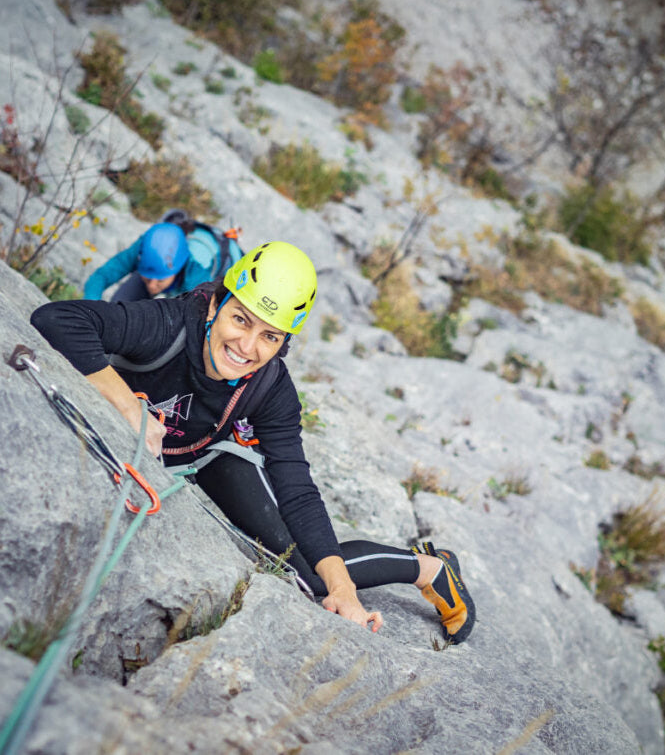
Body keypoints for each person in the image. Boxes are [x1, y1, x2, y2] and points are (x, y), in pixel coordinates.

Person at [31, 241, 476, 643]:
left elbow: (296, 489)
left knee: (312, 577)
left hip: (210, 458)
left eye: (270, 336)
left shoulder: (271, 388)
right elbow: (57, 318)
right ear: (216, 304)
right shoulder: (168, 325)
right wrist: (129, 407)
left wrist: (344, 592)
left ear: (283, 342)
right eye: (240, 319)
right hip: (169, 444)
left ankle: (429, 568)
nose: (246, 346)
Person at [83, 222, 212, 302]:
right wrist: (92, 309)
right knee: (120, 304)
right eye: (148, 279)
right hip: (164, 271)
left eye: (160, 281)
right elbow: (101, 276)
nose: (152, 286)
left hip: (192, 282)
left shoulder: (197, 276)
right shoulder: (143, 250)